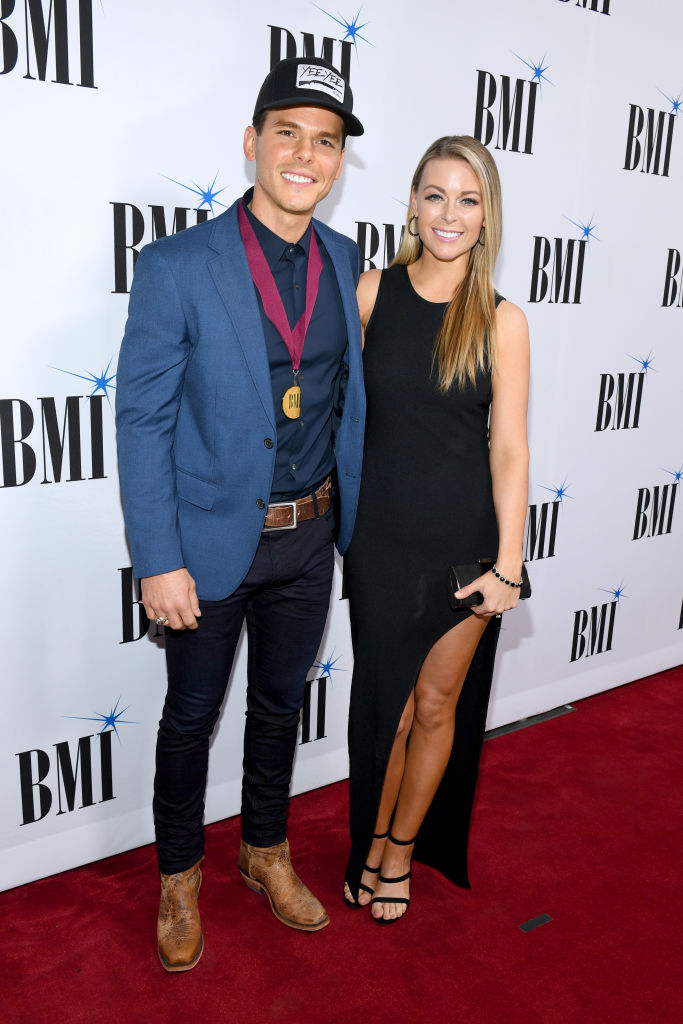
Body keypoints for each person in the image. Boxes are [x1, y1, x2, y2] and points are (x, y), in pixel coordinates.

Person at [115, 56, 365, 971]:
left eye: (327, 142)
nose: (307, 156)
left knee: (276, 707)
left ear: (339, 163)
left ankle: (265, 851)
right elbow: (140, 418)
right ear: (252, 143)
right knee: (189, 718)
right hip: (208, 544)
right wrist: (157, 558)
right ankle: (179, 876)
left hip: (309, 538)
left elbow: (345, 400)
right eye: (289, 134)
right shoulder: (176, 265)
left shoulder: (345, 260)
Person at [342, 135, 529, 923]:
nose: (449, 213)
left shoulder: (501, 320)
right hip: (379, 542)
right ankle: (370, 838)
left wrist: (508, 566)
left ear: (486, 218)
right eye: (435, 194)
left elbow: (511, 448)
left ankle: (398, 853)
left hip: (463, 546)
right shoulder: (369, 294)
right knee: (386, 708)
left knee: (434, 705)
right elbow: (336, 420)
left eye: (467, 198)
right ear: (413, 204)